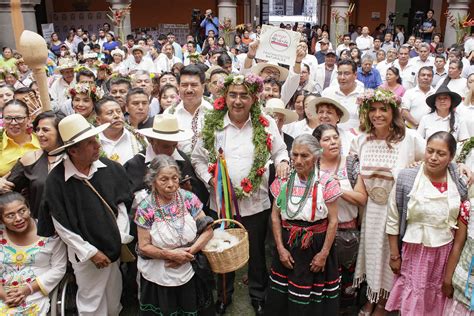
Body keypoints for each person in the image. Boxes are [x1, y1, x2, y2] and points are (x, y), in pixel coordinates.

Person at [192, 73, 290, 315]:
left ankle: (258, 296)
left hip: (256, 204)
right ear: (225, 97)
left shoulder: (265, 123)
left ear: (253, 98)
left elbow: (280, 151)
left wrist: (283, 162)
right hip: (221, 203)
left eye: (244, 95)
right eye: (233, 95)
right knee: (222, 251)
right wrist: (209, 179)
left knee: (256, 253)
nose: (237, 101)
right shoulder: (212, 125)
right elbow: (197, 159)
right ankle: (224, 297)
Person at [38, 114, 133, 315]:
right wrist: (91, 252)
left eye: (96, 140)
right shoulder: (56, 181)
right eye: (90, 142)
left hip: (114, 248)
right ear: (73, 150)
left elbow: (122, 205)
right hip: (85, 256)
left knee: (113, 295)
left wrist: (119, 238)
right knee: (92, 301)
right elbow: (61, 225)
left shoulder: (110, 168)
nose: (97, 145)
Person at [352, 88, 426, 315]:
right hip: (371, 210)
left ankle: (384, 303)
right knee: (372, 255)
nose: (377, 115)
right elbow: (353, 167)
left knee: (390, 259)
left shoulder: (409, 138)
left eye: (383, 109)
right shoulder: (362, 139)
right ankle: (371, 297)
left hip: (396, 210)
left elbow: (431, 159)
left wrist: (416, 167)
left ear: (393, 111)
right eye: (372, 110)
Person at [385, 131, 468, 316]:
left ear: (451, 157)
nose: (433, 157)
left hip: (445, 254)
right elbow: (392, 218)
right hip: (416, 252)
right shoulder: (407, 178)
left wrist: (463, 167)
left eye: (441, 153)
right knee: (414, 298)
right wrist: (394, 255)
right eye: (430, 151)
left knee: (437, 298)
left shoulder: (457, 179)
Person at [265, 134, 341, 315]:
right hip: (288, 244)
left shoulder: (326, 183)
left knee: (312, 295)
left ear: (316, 156)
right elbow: (275, 217)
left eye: (304, 156)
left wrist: (323, 254)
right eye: (295, 155)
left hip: (316, 245)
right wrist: (281, 249)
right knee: (284, 293)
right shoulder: (284, 181)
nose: (298, 160)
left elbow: (333, 221)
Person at [134, 154, 213, 315]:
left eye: (175, 178)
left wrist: (188, 253)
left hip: (189, 269)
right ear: (153, 180)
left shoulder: (189, 199)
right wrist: (169, 255)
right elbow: (143, 247)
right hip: (159, 276)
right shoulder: (145, 208)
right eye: (164, 179)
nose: (171, 184)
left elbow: (208, 230)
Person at [313, 124, 368, 310]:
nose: (333, 142)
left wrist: (339, 189)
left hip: (348, 235)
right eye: (326, 139)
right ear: (318, 144)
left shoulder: (351, 163)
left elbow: (361, 199)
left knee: (346, 285)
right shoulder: (312, 165)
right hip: (319, 233)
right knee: (321, 280)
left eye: (335, 137)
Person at [0, 192, 67, 315]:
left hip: (34, 293)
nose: (18, 218)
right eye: (10, 215)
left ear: (29, 209)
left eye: (22, 211)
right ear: (1, 220)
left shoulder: (51, 234)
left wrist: (27, 289)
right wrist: (5, 297)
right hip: (3, 293)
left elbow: (59, 268)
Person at [4, 112, 64, 218]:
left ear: (60, 132)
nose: (39, 134)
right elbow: (8, 189)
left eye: (45, 130)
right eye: (37, 130)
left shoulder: (76, 157)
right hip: (42, 227)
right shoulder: (29, 159)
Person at [164, 65, 212, 156]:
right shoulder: (169, 114)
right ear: (178, 87)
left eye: (194, 85)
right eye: (184, 85)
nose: (189, 90)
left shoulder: (214, 111)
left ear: (203, 87)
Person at [96, 96, 147, 164]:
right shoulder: (93, 141)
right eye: (110, 113)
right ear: (98, 120)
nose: (116, 116)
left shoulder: (138, 138)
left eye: (119, 111)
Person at [0, 100, 40, 177]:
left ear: (29, 119)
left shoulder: (41, 139)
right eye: (8, 118)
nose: (13, 123)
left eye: (19, 118)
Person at [322, 59, 364, 131]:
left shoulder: (364, 94)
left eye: (346, 73)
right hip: (332, 137)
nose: (342, 77)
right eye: (339, 73)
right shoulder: (328, 93)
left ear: (355, 75)